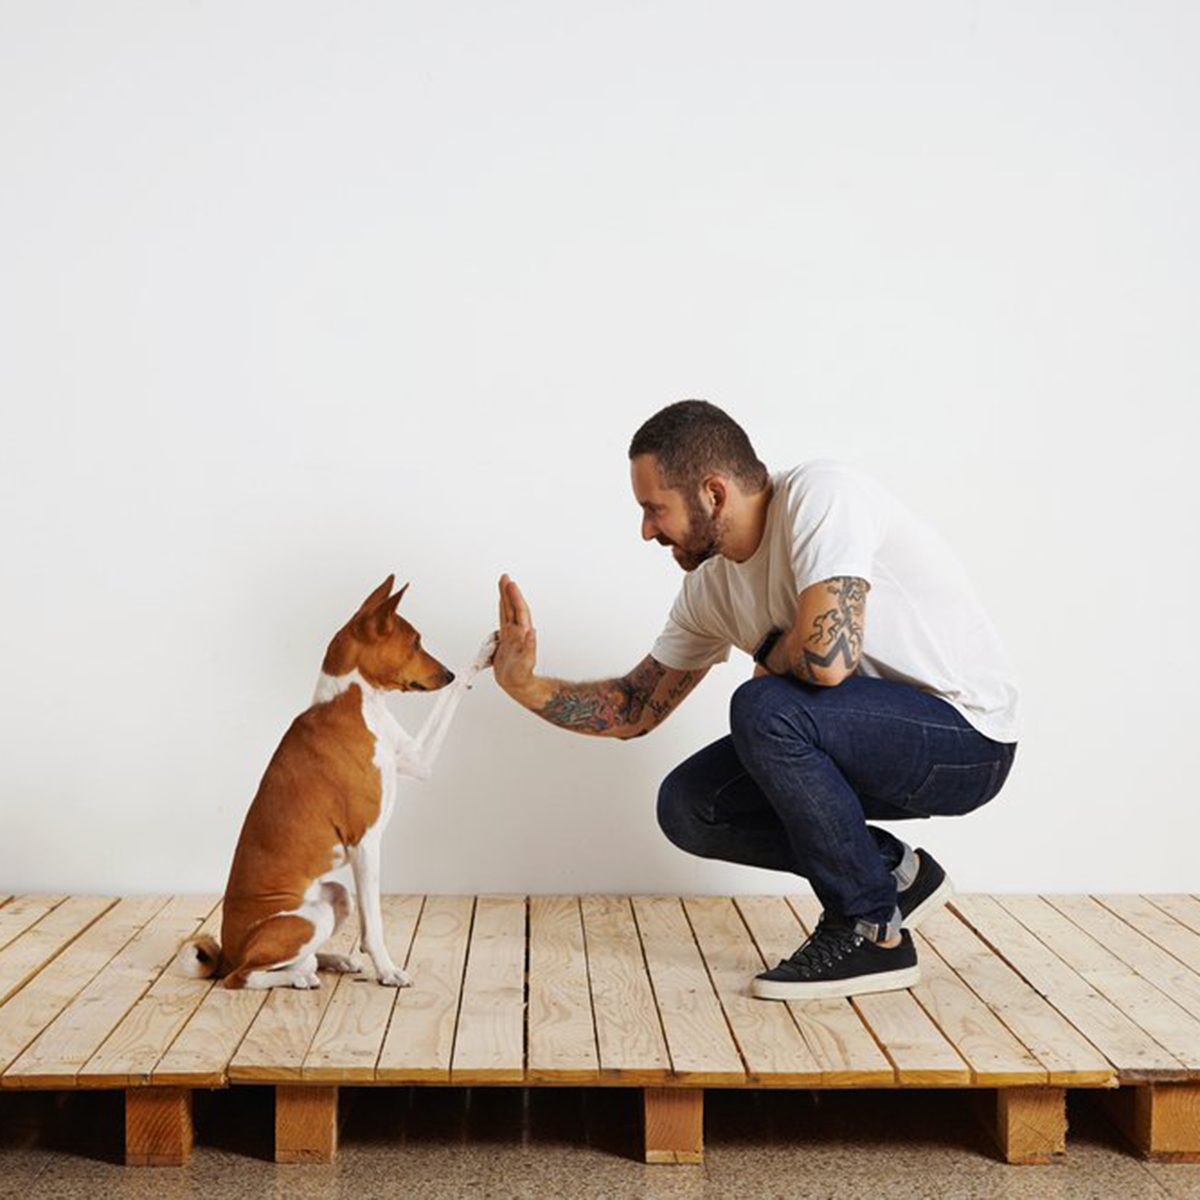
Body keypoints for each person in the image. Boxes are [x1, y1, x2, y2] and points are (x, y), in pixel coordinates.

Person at [492, 400, 1019, 1000]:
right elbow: (635, 707)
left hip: (967, 742)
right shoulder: (710, 588)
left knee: (765, 709)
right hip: (864, 748)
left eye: (654, 509)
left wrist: (770, 656)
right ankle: (895, 875)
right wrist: (525, 684)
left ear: (713, 493)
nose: (646, 531)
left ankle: (873, 931)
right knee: (690, 806)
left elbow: (829, 660)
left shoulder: (821, 496)